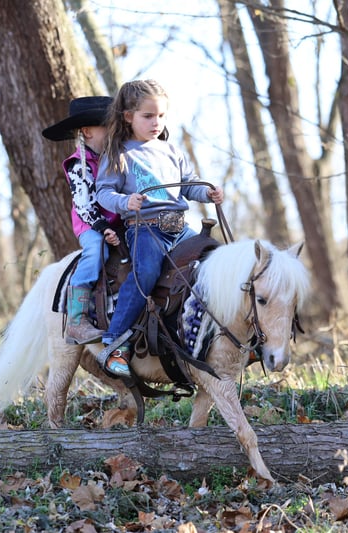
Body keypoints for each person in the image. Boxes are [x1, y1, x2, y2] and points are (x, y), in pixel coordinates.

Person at [95, 79, 224, 377]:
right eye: (148, 116)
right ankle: (115, 343)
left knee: (216, 261)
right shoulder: (119, 154)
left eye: (161, 116)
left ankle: (221, 335)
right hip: (146, 229)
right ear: (129, 116)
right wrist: (126, 201)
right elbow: (103, 192)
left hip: (180, 228)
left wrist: (208, 193)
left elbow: (188, 185)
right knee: (146, 273)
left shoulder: (171, 150)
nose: (156, 122)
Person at [42, 96, 122, 345]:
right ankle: (76, 319)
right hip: (91, 224)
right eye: (108, 127)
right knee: (97, 251)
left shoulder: (113, 159)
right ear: (87, 131)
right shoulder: (78, 165)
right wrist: (103, 227)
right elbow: (83, 205)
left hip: (117, 221)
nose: (115, 132)